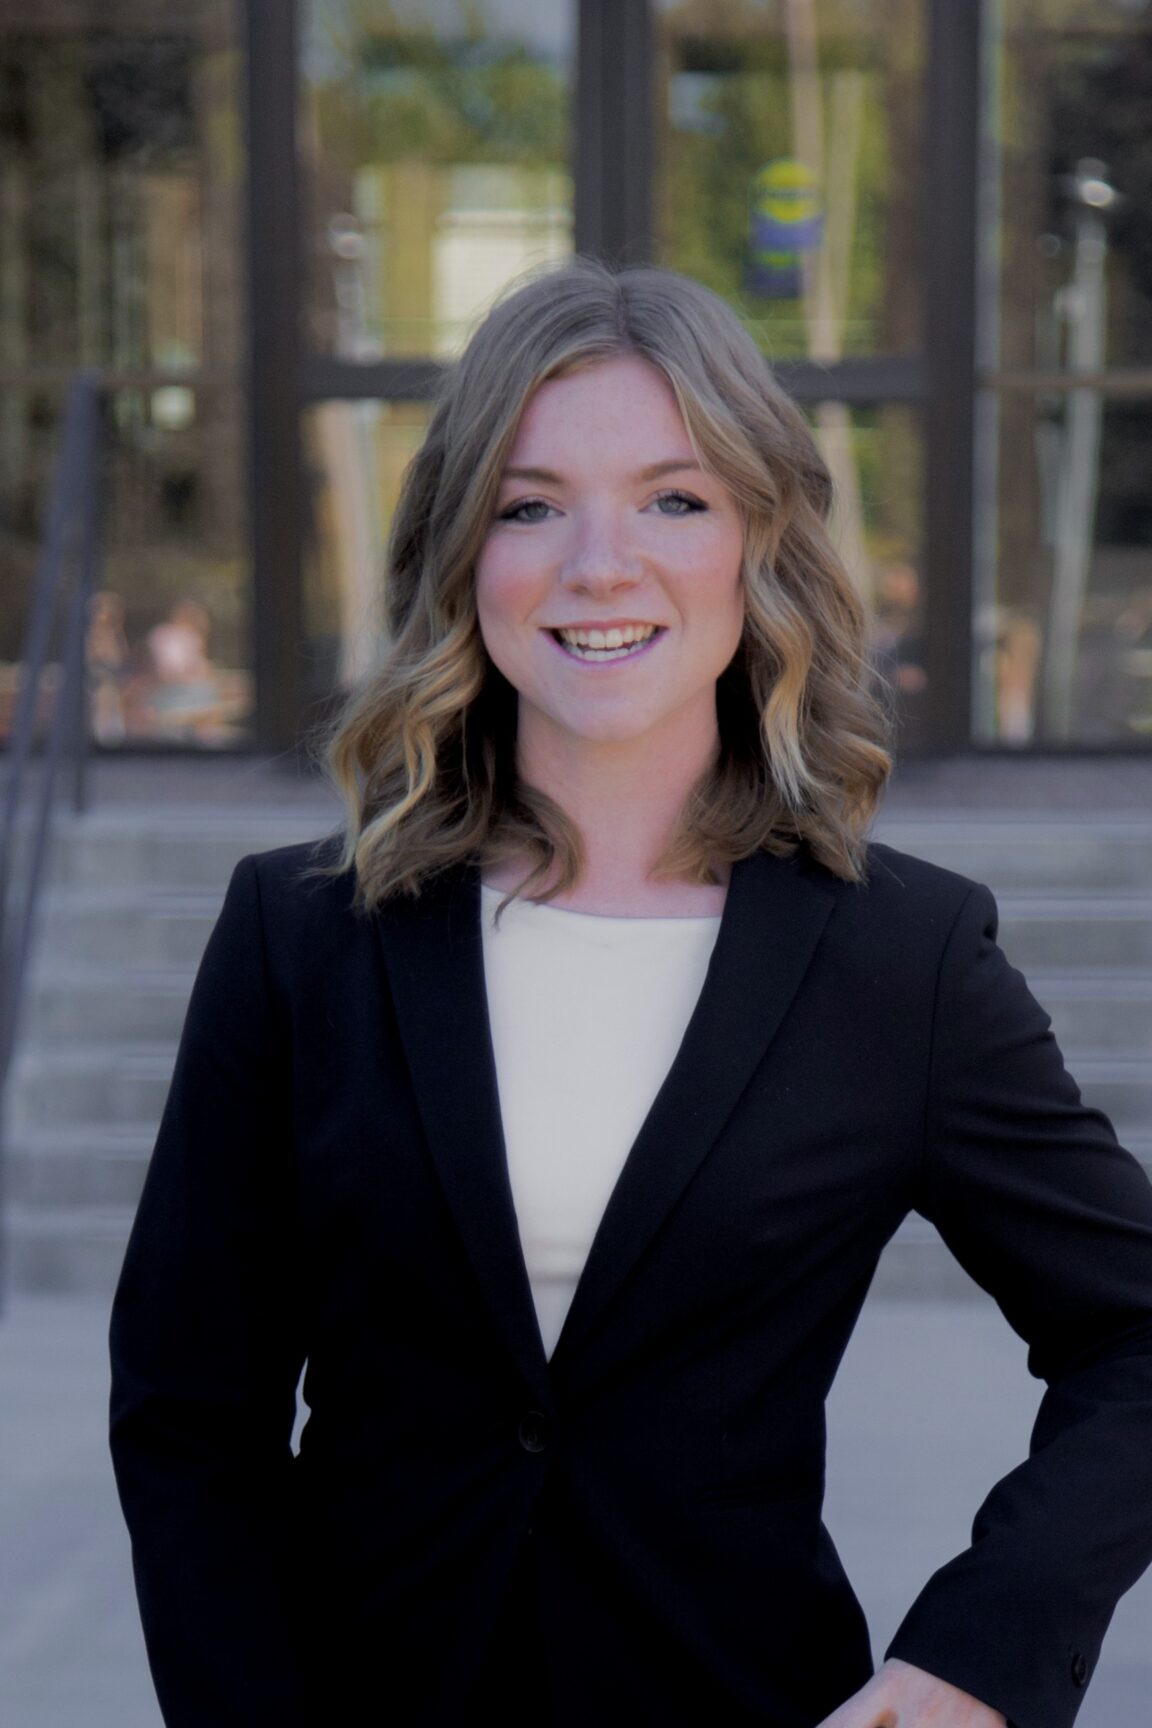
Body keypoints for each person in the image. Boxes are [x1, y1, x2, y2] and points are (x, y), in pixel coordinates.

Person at [108, 258, 1152, 1728]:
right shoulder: (300, 935)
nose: (602, 563)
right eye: (532, 505)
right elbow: (186, 1418)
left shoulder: (900, 959)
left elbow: (1136, 1331)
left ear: (756, 541)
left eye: (675, 498)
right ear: (465, 552)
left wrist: (976, 1660)